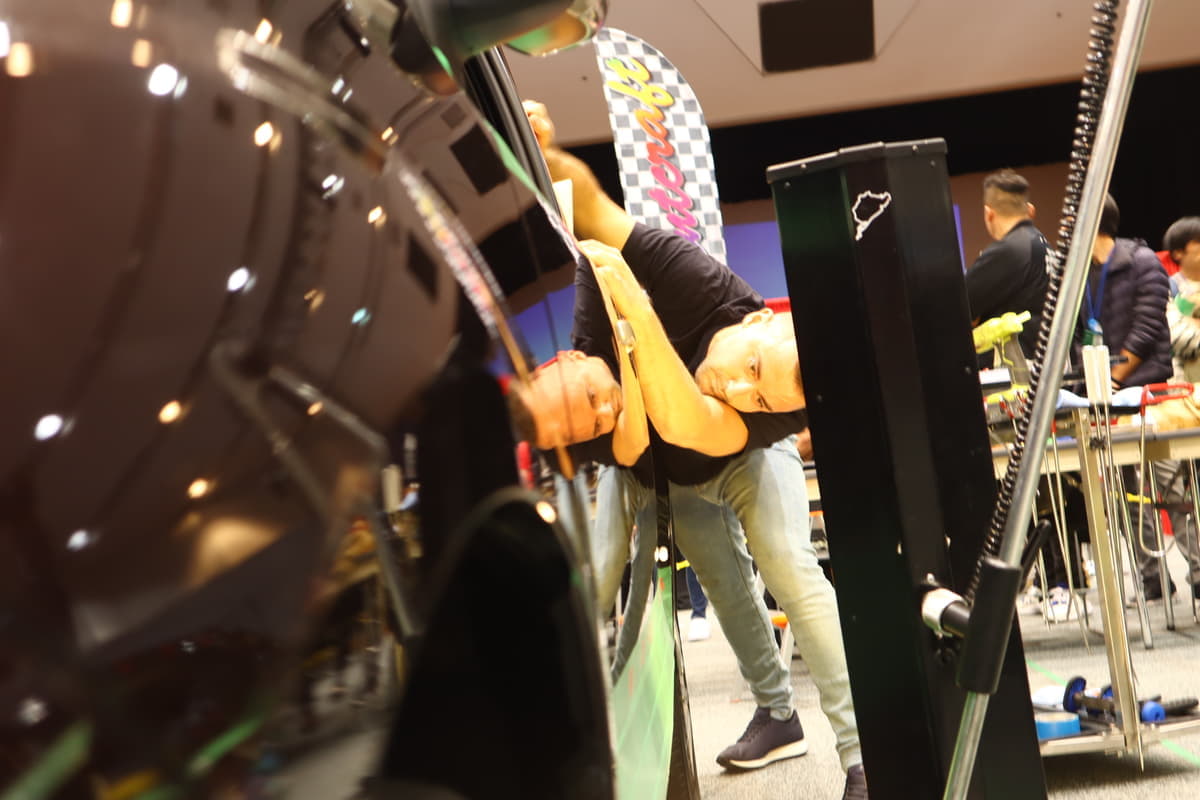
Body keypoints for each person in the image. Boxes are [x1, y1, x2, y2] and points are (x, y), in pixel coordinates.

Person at [515, 102, 866, 799]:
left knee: (787, 564)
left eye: (757, 396)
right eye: (752, 368)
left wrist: (637, 315)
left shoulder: (775, 405)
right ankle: (776, 714)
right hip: (659, 469)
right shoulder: (694, 280)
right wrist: (535, 148)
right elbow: (590, 208)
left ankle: (862, 752)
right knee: (710, 585)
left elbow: (691, 424)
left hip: (730, 460)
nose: (735, 386)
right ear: (760, 318)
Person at [1138, 216, 1200, 600]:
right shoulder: (1172, 290)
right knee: (1180, 492)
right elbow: (1179, 338)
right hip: (1183, 405)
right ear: (1179, 252)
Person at [964, 169, 1049, 361]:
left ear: (989, 214)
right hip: (1041, 361)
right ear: (1030, 210)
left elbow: (958, 308)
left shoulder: (1009, 251)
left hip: (1014, 370)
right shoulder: (1043, 244)